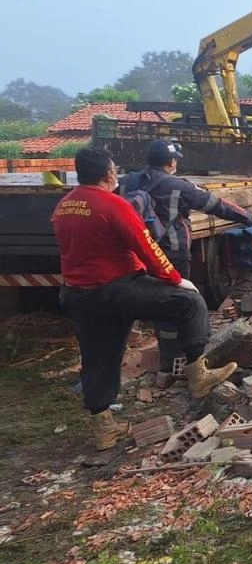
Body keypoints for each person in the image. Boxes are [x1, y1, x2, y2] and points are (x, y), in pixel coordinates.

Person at [52, 148, 237, 450]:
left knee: (99, 354)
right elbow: (147, 247)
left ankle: (103, 429)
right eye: (113, 169)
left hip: (78, 293)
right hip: (118, 286)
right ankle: (198, 374)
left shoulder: (64, 206)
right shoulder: (113, 205)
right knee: (190, 302)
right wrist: (177, 279)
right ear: (108, 174)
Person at [119, 139, 252, 374]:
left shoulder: (127, 182)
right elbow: (216, 205)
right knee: (175, 306)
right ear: (170, 161)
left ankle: (130, 358)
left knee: (142, 304)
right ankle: (173, 360)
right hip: (171, 255)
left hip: (136, 254)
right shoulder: (178, 185)